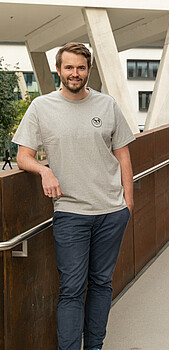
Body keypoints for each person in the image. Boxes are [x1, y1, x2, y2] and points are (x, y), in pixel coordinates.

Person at [13, 42, 135, 350]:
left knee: (101, 284)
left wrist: (128, 204)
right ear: (58, 70)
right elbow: (23, 156)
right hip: (70, 213)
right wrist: (44, 171)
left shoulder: (107, 105)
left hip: (111, 211)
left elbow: (123, 154)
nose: (75, 73)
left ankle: (94, 345)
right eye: (68, 67)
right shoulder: (41, 107)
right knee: (71, 288)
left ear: (89, 70)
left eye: (81, 67)